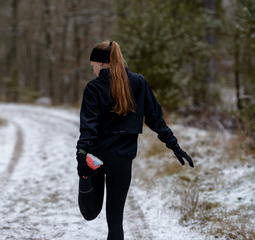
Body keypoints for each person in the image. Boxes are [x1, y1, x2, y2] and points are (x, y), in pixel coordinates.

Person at [76, 40, 194, 240]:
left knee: (90, 213)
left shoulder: (94, 88)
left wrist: (81, 156)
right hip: (122, 160)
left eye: (93, 65)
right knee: (115, 222)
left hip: (96, 157)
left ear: (102, 63)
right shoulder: (138, 82)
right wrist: (173, 144)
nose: (93, 70)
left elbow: (88, 127)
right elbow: (156, 118)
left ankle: (85, 178)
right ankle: (86, 177)